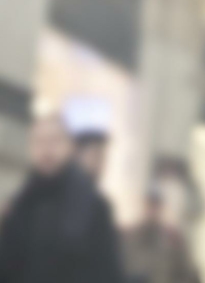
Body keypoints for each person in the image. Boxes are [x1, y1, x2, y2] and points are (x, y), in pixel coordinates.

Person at [0, 115, 125, 283]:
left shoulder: (93, 206)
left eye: (54, 141)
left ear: (69, 147)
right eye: (39, 142)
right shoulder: (20, 204)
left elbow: (108, 272)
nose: (46, 150)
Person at [121, 187, 199, 283]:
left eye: (155, 205)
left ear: (161, 208)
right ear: (143, 205)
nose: (151, 210)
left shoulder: (173, 239)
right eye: (149, 204)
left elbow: (187, 273)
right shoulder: (129, 237)